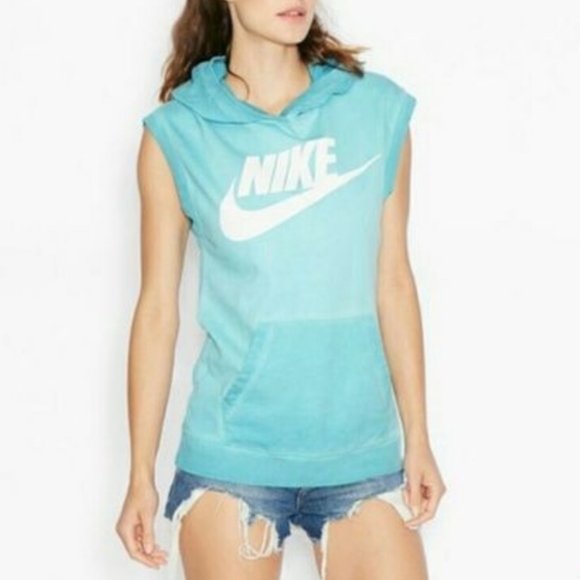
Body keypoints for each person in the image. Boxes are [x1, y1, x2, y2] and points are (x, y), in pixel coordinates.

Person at [115, 0, 446, 578]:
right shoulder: (178, 134)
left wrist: (418, 436)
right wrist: (140, 473)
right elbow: (157, 311)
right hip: (231, 457)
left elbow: (393, 279)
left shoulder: (375, 110)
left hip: (361, 451)